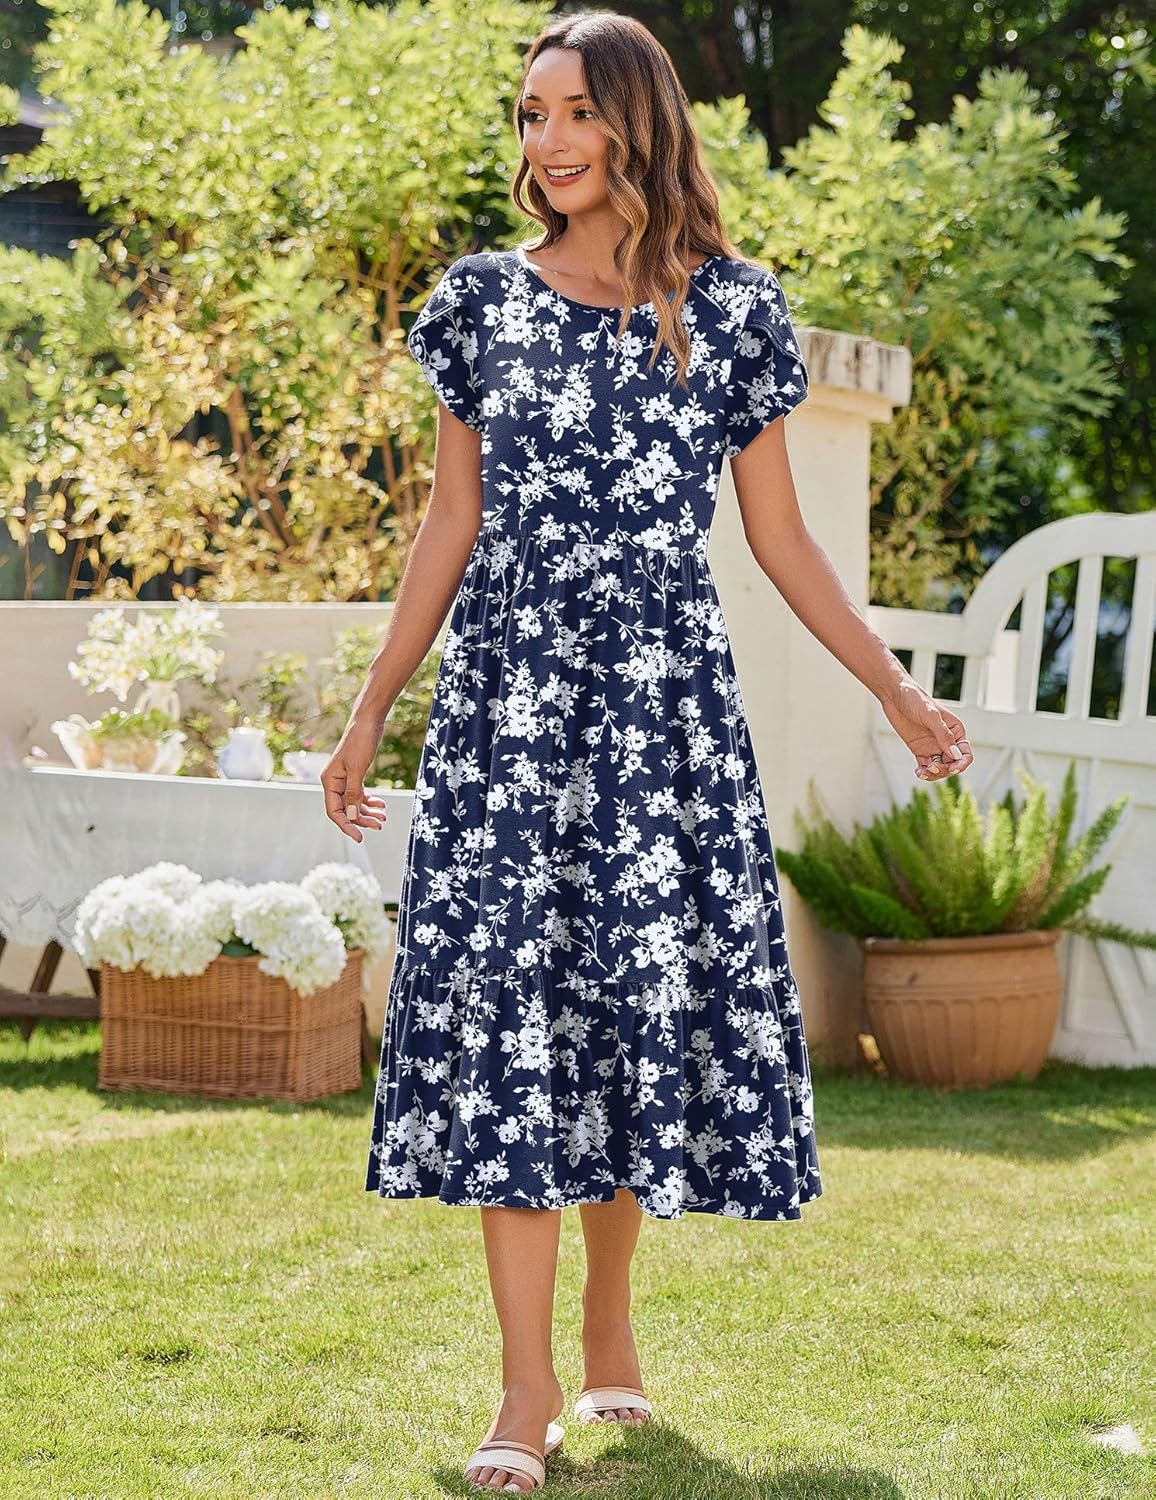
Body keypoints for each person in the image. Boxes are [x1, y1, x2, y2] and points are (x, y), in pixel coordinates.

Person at [322, 13, 973, 1494]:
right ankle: (524, 1384)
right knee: (514, 1024)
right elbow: (449, 523)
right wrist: (371, 709)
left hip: (661, 714)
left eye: (571, 113)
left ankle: (609, 1329)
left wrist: (892, 688)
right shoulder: (481, 303)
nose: (544, 143)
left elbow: (783, 539)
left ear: (635, 120)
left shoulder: (729, 312)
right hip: (508, 714)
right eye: (528, 115)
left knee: (625, 1013)